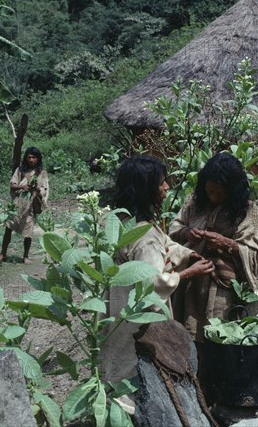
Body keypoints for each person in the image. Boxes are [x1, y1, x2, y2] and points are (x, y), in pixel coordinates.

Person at [99, 155, 214, 389]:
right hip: (135, 313)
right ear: (146, 189)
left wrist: (187, 253)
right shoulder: (145, 238)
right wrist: (188, 273)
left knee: (113, 354)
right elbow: (150, 286)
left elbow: (164, 242)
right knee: (132, 366)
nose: (166, 187)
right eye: (161, 182)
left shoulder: (120, 220)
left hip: (114, 302)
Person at [169, 152, 258, 346]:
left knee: (220, 335)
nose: (213, 198)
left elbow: (256, 254)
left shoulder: (247, 211)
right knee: (187, 334)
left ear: (233, 190)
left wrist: (227, 244)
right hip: (190, 282)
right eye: (210, 191)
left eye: (220, 194)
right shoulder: (194, 203)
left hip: (222, 289)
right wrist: (187, 232)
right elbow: (173, 229)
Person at [0, 146, 49, 264]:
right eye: (29, 157)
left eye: (34, 157)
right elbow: (12, 185)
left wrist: (37, 189)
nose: (31, 160)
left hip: (30, 206)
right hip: (17, 205)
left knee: (28, 233)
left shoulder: (41, 173)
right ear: (26, 158)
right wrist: (23, 186)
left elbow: (44, 189)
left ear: (38, 159)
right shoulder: (20, 170)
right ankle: (2, 253)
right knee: (9, 228)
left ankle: (25, 256)